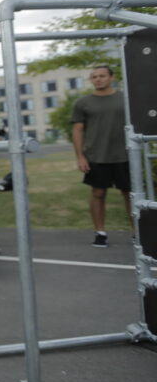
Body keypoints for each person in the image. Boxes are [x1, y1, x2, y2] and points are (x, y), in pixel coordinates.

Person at [71, 65, 132, 248]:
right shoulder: (82, 103)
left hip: (126, 155)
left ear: (111, 77)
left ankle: (138, 232)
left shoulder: (125, 99)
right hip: (96, 156)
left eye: (102, 76)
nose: (98, 79)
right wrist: (80, 157)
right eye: (94, 77)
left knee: (130, 194)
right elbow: (77, 130)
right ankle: (100, 233)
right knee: (98, 193)